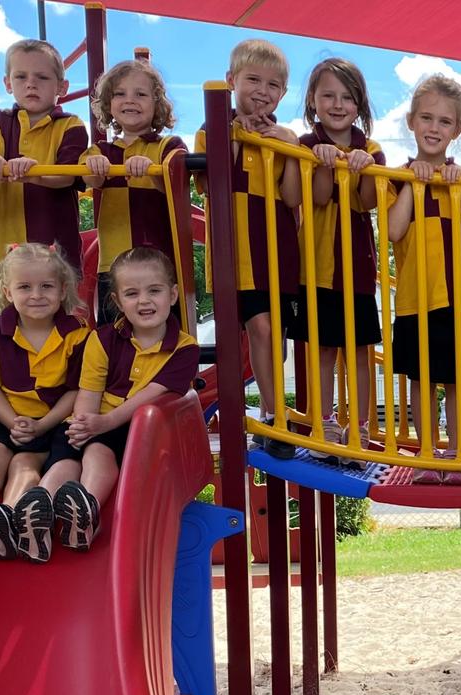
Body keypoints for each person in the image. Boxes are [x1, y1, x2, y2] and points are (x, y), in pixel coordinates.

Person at [34, 247, 199, 555]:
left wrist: (101, 426)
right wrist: (83, 424)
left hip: (139, 434)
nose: (144, 300)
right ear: (118, 301)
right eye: (132, 293)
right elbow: (89, 390)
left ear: (173, 295)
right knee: (65, 461)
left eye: (154, 290)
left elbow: (151, 394)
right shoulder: (102, 339)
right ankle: (37, 512)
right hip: (95, 420)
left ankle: (86, 514)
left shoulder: (184, 349)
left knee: (97, 452)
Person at [194, 38, 301, 459]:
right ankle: (265, 416)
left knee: (274, 333)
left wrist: (288, 145)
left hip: (275, 252)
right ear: (231, 81)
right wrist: (234, 133)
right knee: (246, 333)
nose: (262, 90)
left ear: (283, 94)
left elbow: (292, 196)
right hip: (234, 255)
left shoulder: (282, 138)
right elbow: (209, 184)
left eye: (273, 85)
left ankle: (275, 414)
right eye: (253, 79)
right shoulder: (211, 130)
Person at [0, 244, 89, 562]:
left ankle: (9, 518)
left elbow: (76, 390)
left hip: (52, 422)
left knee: (23, 463)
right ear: (8, 291)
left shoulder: (77, 334)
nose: (36, 295)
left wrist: (41, 424)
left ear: (63, 289)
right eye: (25, 287)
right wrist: (13, 421)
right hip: (7, 417)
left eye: (46, 286)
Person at [385, 74, 461, 485]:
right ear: (411, 121)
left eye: (444, 122)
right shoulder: (397, 178)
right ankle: (427, 454)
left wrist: (460, 189)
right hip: (416, 298)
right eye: (426, 118)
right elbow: (393, 230)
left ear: (456, 131)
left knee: (456, 379)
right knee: (421, 379)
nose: (434, 128)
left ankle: (457, 453)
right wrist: (415, 182)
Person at [291, 58, 384, 467]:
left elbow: (367, 201)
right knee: (325, 349)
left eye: (347, 96)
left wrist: (362, 169)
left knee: (360, 350)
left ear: (359, 104)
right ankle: (325, 422)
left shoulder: (371, 148)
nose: (337, 103)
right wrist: (326, 164)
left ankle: (360, 427)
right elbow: (319, 196)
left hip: (358, 268)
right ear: (313, 101)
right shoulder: (306, 145)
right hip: (317, 267)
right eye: (328, 95)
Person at [82, 59, 187, 325]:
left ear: (157, 104)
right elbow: (89, 177)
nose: (131, 100)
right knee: (113, 336)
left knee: (163, 332)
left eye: (140, 94)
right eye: (120, 94)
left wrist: (155, 173)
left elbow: (178, 187)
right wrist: (95, 167)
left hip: (158, 264)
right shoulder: (102, 151)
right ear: (108, 105)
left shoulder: (168, 146)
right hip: (113, 267)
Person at [0, 39, 89, 275]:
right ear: (8, 83)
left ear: (62, 87)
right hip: (6, 247)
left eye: (42, 77)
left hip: (56, 247)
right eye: (21, 77)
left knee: (58, 307)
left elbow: (67, 177)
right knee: (7, 307)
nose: (31, 84)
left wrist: (31, 173)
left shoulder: (71, 125)